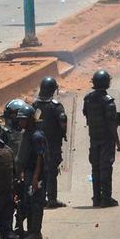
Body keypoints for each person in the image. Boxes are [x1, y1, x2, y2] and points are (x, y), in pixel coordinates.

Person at [82, 70, 120, 208]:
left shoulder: (87, 99)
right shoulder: (108, 101)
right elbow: (112, 124)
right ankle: (106, 198)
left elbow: (86, 115)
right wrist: (117, 142)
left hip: (94, 138)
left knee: (95, 168)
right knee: (106, 168)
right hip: (106, 140)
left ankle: (96, 198)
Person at [11, 101, 48, 239]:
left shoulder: (37, 136)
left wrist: (35, 177)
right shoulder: (27, 133)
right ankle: (30, 230)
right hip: (28, 172)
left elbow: (40, 157)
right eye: (19, 120)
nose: (20, 122)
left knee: (36, 203)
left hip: (35, 173)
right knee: (28, 202)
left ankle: (36, 232)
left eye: (23, 120)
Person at [34, 77, 69, 209]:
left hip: (38, 144)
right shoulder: (56, 106)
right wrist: (63, 134)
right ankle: (52, 199)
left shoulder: (35, 105)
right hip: (52, 144)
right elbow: (63, 123)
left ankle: (40, 198)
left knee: (40, 170)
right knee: (52, 171)